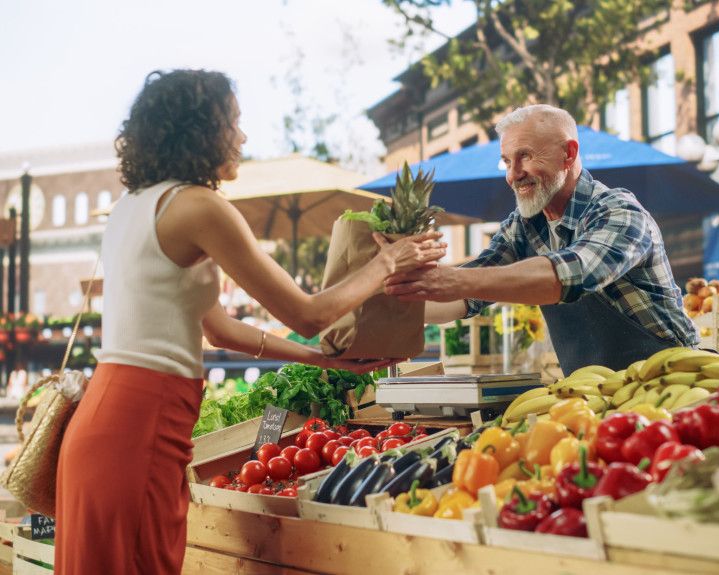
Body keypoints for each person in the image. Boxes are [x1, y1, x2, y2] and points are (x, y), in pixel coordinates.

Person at [54, 69, 446, 575]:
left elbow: (217, 329)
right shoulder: (199, 207)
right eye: (233, 123)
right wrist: (389, 262)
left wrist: (323, 359)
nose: (242, 137)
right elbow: (305, 312)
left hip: (108, 420)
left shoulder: (133, 206)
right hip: (141, 423)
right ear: (200, 129)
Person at [385, 104, 698, 373]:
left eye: (526, 156)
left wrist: (454, 279)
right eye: (507, 161)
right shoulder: (524, 227)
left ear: (568, 153)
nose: (513, 174)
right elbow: (467, 294)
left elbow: (570, 275)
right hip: (596, 395)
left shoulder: (620, 212)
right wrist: (382, 305)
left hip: (674, 382)